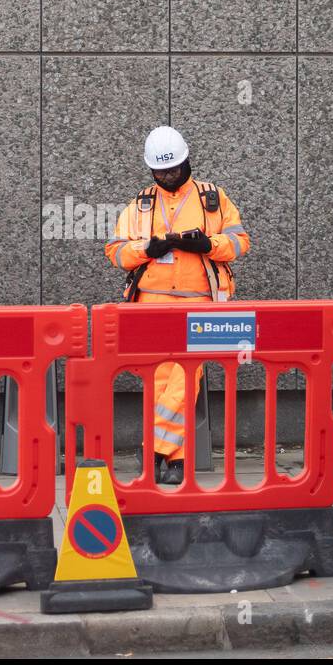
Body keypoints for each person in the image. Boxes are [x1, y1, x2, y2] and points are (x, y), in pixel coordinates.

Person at [105, 126, 250, 485]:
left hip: (200, 302)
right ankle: (175, 461)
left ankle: (154, 450)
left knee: (188, 374)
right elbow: (116, 252)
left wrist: (207, 244)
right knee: (161, 380)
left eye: (174, 170)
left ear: (187, 162)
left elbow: (240, 242)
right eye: (160, 172)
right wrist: (147, 249)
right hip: (150, 304)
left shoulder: (212, 198)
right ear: (151, 171)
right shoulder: (140, 204)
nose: (168, 177)